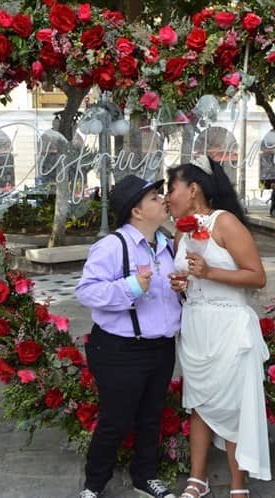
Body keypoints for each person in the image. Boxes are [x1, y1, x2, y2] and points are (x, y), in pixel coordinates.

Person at [166, 156, 271, 498]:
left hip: (228, 325)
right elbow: (193, 280)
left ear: (192, 189)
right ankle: (198, 479)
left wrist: (210, 272)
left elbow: (257, 276)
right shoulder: (180, 234)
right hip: (196, 324)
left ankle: (238, 484)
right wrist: (183, 285)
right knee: (199, 402)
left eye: (172, 188)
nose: (167, 196)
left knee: (232, 405)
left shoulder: (224, 223)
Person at [75, 174, 181, 498]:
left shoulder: (167, 246)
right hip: (120, 349)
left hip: (161, 348)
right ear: (136, 211)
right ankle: (94, 484)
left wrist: (184, 289)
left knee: (151, 416)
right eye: (153, 197)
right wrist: (132, 287)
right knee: (116, 420)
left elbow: (169, 298)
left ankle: (144, 477)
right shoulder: (111, 246)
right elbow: (86, 292)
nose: (162, 200)